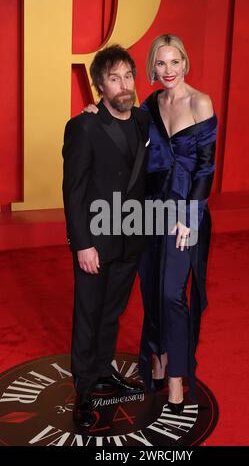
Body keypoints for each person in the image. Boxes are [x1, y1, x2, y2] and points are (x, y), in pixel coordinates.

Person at [84, 34, 217, 415]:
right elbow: (121, 120)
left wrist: (189, 218)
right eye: (161, 64)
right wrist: (95, 110)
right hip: (149, 213)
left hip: (186, 214)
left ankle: (176, 377)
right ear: (152, 69)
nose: (168, 70)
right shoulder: (149, 105)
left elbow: (206, 168)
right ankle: (156, 360)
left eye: (175, 62)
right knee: (151, 290)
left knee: (172, 294)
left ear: (185, 63)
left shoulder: (201, 102)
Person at [62, 45, 150, 428]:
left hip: (131, 238)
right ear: (100, 85)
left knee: (112, 312)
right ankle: (82, 389)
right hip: (95, 241)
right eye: (114, 78)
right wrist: (82, 243)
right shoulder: (84, 125)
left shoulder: (145, 121)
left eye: (128, 76)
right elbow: (74, 190)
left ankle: (101, 369)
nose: (124, 84)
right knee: (88, 314)